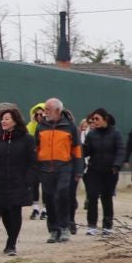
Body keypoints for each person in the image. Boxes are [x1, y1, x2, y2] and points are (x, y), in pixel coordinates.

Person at [0, 104, 36, 256]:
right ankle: (5, 233)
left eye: (7, 119)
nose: (3, 121)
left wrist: (28, 180)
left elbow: (32, 162)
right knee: (4, 213)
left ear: (15, 121)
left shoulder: (27, 140)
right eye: (2, 119)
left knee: (15, 212)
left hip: (18, 182)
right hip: (0, 182)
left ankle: (11, 244)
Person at [34, 97, 82, 244]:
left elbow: (77, 150)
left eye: (47, 109)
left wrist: (79, 170)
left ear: (57, 110)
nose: (44, 112)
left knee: (62, 193)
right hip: (45, 168)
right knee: (48, 198)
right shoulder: (40, 126)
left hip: (64, 167)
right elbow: (36, 148)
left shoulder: (70, 126)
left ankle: (65, 227)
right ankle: (54, 230)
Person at [81, 108, 125, 235]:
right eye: (93, 119)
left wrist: (116, 165)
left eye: (97, 119)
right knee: (92, 196)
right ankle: (91, 226)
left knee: (106, 198)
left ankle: (107, 226)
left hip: (110, 171)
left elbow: (120, 150)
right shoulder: (91, 134)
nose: (94, 121)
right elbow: (86, 151)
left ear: (105, 119)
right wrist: (81, 148)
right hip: (94, 170)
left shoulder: (115, 133)